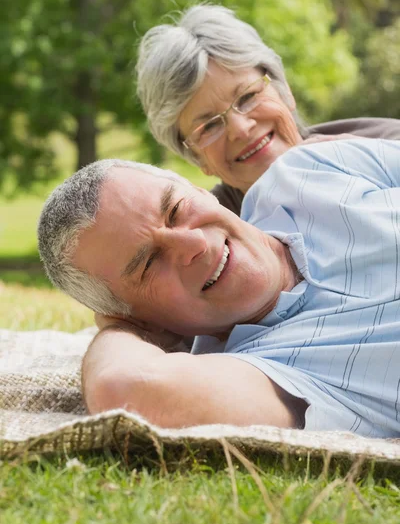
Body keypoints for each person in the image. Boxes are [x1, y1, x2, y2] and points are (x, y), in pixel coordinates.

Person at [38, 137, 400, 437]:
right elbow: (125, 388)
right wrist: (119, 329)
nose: (193, 244)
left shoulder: (305, 171)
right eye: (149, 264)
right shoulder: (257, 372)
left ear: (200, 190)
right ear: (143, 321)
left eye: (177, 209)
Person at [136, 3, 400, 215]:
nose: (240, 128)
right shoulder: (209, 244)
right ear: (196, 158)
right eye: (209, 126)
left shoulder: (386, 148)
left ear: (284, 91)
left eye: (247, 96)